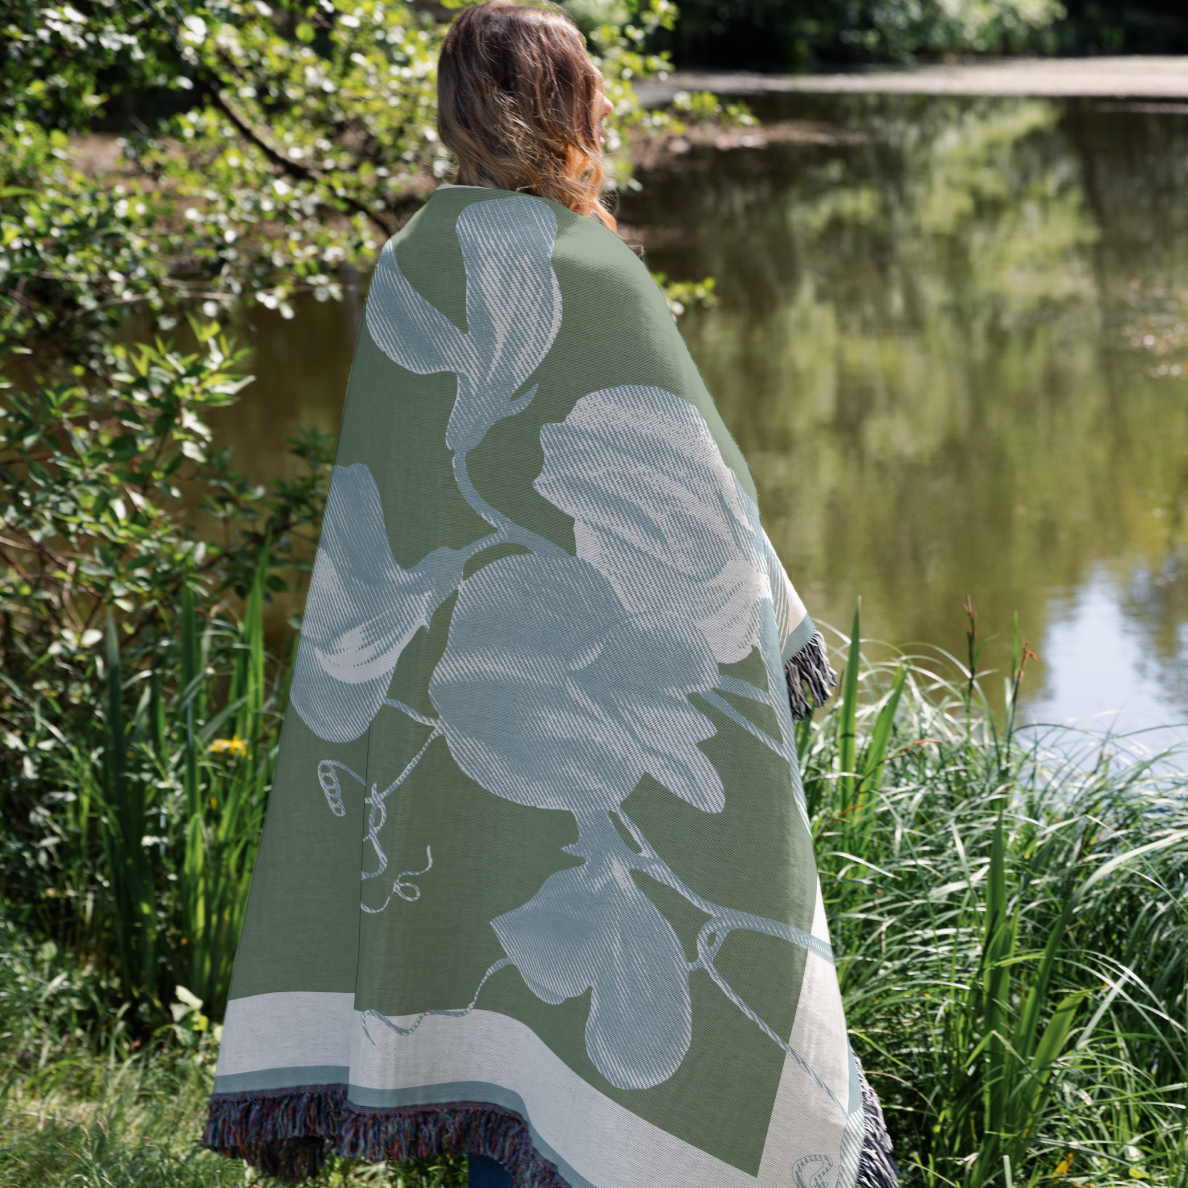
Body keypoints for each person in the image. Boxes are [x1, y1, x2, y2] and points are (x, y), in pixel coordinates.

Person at [202, 4, 898, 1188]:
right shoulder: (594, 272)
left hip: (464, 719)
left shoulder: (409, 257)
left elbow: (410, 499)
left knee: (511, 983)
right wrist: (769, 644)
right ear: (571, 108)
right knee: (580, 997)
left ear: (455, 111)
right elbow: (712, 519)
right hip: (589, 721)